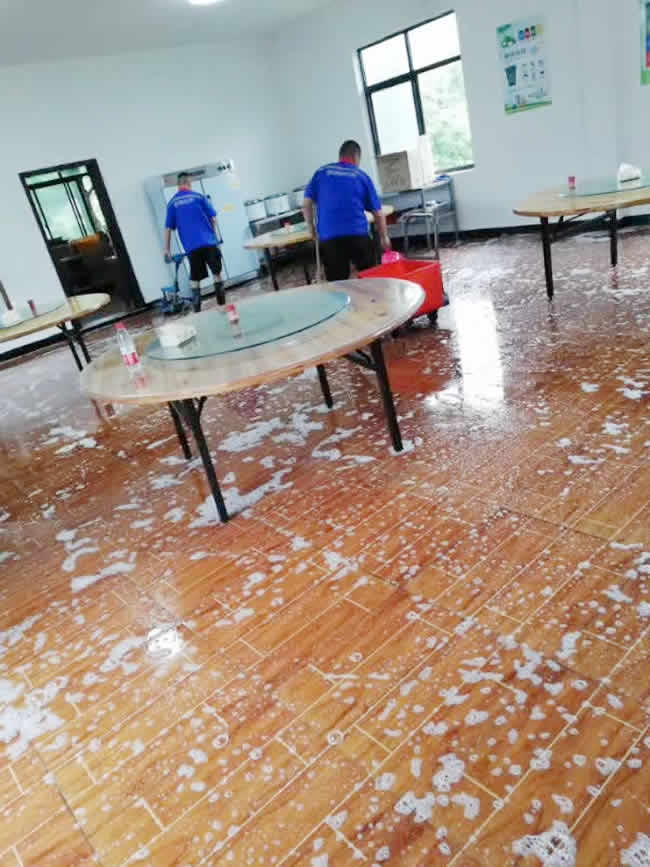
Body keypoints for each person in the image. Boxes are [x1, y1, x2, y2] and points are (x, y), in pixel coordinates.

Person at [303, 140, 391, 281]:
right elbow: (378, 213)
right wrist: (384, 237)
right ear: (357, 157)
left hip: (329, 238)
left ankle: (343, 295)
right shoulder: (361, 176)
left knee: (338, 282)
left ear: (340, 156)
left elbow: (306, 204)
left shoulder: (321, 172)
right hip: (357, 235)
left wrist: (311, 228)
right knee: (370, 277)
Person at [163, 172, 224, 312]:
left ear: (178, 185)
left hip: (192, 247)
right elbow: (213, 219)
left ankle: (197, 311)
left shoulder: (172, 203)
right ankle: (222, 305)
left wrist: (167, 249)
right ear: (189, 183)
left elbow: (168, 228)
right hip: (209, 243)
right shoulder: (199, 197)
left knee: (195, 279)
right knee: (216, 273)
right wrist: (213, 235)